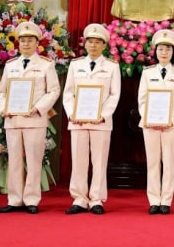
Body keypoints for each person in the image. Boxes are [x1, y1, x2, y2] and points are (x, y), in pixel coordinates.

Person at [0, 21, 60, 214]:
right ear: (18, 43)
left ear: (37, 43)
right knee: (13, 159)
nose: (25, 44)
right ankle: (14, 199)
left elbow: (54, 90)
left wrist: (38, 108)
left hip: (34, 119)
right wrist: (4, 108)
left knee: (34, 160)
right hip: (13, 119)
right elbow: (1, 92)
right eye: (22, 40)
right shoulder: (10, 65)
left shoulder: (46, 65)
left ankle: (32, 199)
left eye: (30, 40)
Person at [63, 23, 121, 215]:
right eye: (90, 42)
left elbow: (114, 95)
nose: (93, 46)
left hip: (101, 123)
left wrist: (102, 115)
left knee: (99, 160)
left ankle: (96, 199)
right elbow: (68, 93)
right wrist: (72, 113)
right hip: (78, 121)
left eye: (97, 42)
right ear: (85, 44)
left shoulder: (112, 67)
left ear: (104, 45)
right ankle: (79, 198)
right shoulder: (75, 65)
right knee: (78, 160)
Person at [138, 29, 174, 215]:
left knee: (169, 161)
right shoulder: (147, 72)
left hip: (172, 124)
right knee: (152, 162)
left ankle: (166, 200)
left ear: (173, 52)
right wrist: (149, 117)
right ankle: (153, 199)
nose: (164, 52)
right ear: (155, 51)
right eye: (160, 49)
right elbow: (142, 99)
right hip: (150, 123)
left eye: (168, 49)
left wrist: (169, 118)